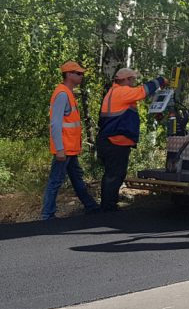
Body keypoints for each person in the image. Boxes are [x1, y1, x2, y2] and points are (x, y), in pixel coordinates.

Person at [97, 67, 166, 211]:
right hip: (116, 142)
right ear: (126, 80)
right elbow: (143, 91)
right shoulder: (122, 92)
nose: (134, 82)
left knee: (111, 174)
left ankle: (107, 205)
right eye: (133, 79)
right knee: (115, 175)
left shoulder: (113, 92)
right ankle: (108, 208)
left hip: (108, 140)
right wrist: (160, 81)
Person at [40, 61, 99, 220]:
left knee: (76, 178)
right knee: (55, 181)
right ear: (69, 74)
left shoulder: (67, 93)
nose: (81, 76)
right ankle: (47, 215)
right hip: (64, 149)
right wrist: (59, 149)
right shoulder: (62, 94)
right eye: (78, 73)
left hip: (70, 149)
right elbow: (55, 123)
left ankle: (91, 206)